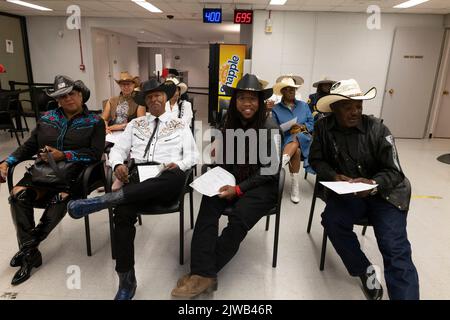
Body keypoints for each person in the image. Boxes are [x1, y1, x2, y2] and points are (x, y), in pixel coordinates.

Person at [66, 79, 199, 300]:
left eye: (158, 95)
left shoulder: (180, 125)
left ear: (165, 98)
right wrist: (118, 164)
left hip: (167, 178)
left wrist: (181, 165)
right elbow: (118, 150)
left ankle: (103, 201)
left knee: (174, 177)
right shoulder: (135, 125)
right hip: (138, 178)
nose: (154, 99)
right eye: (149, 97)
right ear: (144, 101)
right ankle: (126, 280)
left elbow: (193, 156)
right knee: (123, 214)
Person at [171, 73, 281, 298]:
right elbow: (225, 158)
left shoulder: (270, 126)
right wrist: (219, 162)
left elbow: (271, 170)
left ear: (259, 103)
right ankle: (202, 273)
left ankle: (202, 274)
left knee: (238, 219)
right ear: (235, 101)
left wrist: (238, 190)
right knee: (208, 206)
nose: (247, 103)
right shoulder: (228, 121)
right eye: (242, 98)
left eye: (252, 99)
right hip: (233, 179)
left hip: (261, 186)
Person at [309, 79, 419, 300]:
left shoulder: (378, 129)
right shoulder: (323, 127)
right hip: (348, 193)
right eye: (347, 106)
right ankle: (365, 271)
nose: (355, 111)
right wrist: (333, 175)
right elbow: (316, 160)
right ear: (334, 108)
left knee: (394, 248)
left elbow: (395, 171)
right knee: (332, 221)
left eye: (358, 106)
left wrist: (372, 184)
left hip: (385, 194)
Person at [0, 75, 105, 286]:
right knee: (17, 194)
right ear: (57, 100)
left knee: (60, 198)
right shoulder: (48, 118)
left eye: (72, 94)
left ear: (81, 95)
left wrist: (65, 155)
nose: (68, 99)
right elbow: (30, 145)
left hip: (76, 174)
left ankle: (27, 250)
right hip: (42, 171)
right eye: (62, 96)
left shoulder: (95, 121)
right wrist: (8, 162)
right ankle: (30, 252)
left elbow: (95, 154)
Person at [271, 75, 314, 204]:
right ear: (282, 91)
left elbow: (312, 122)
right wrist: (285, 128)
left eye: (294, 89)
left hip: (304, 138)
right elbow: (273, 128)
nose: (292, 92)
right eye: (288, 89)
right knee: (296, 152)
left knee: (297, 136)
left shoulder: (304, 106)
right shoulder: (276, 108)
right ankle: (295, 186)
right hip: (285, 139)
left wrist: (302, 126)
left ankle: (280, 163)